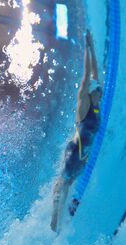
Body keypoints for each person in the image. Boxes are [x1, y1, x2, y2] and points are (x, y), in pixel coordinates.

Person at [51, 30, 102, 232]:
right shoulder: (84, 107)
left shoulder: (97, 105)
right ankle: (53, 224)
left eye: (99, 91)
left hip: (84, 155)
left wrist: (92, 48)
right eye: (96, 91)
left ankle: (58, 219)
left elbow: (95, 74)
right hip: (75, 151)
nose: (99, 93)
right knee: (63, 185)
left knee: (69, 182)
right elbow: (86, 77)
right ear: (90, 94)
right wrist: (86, 49)